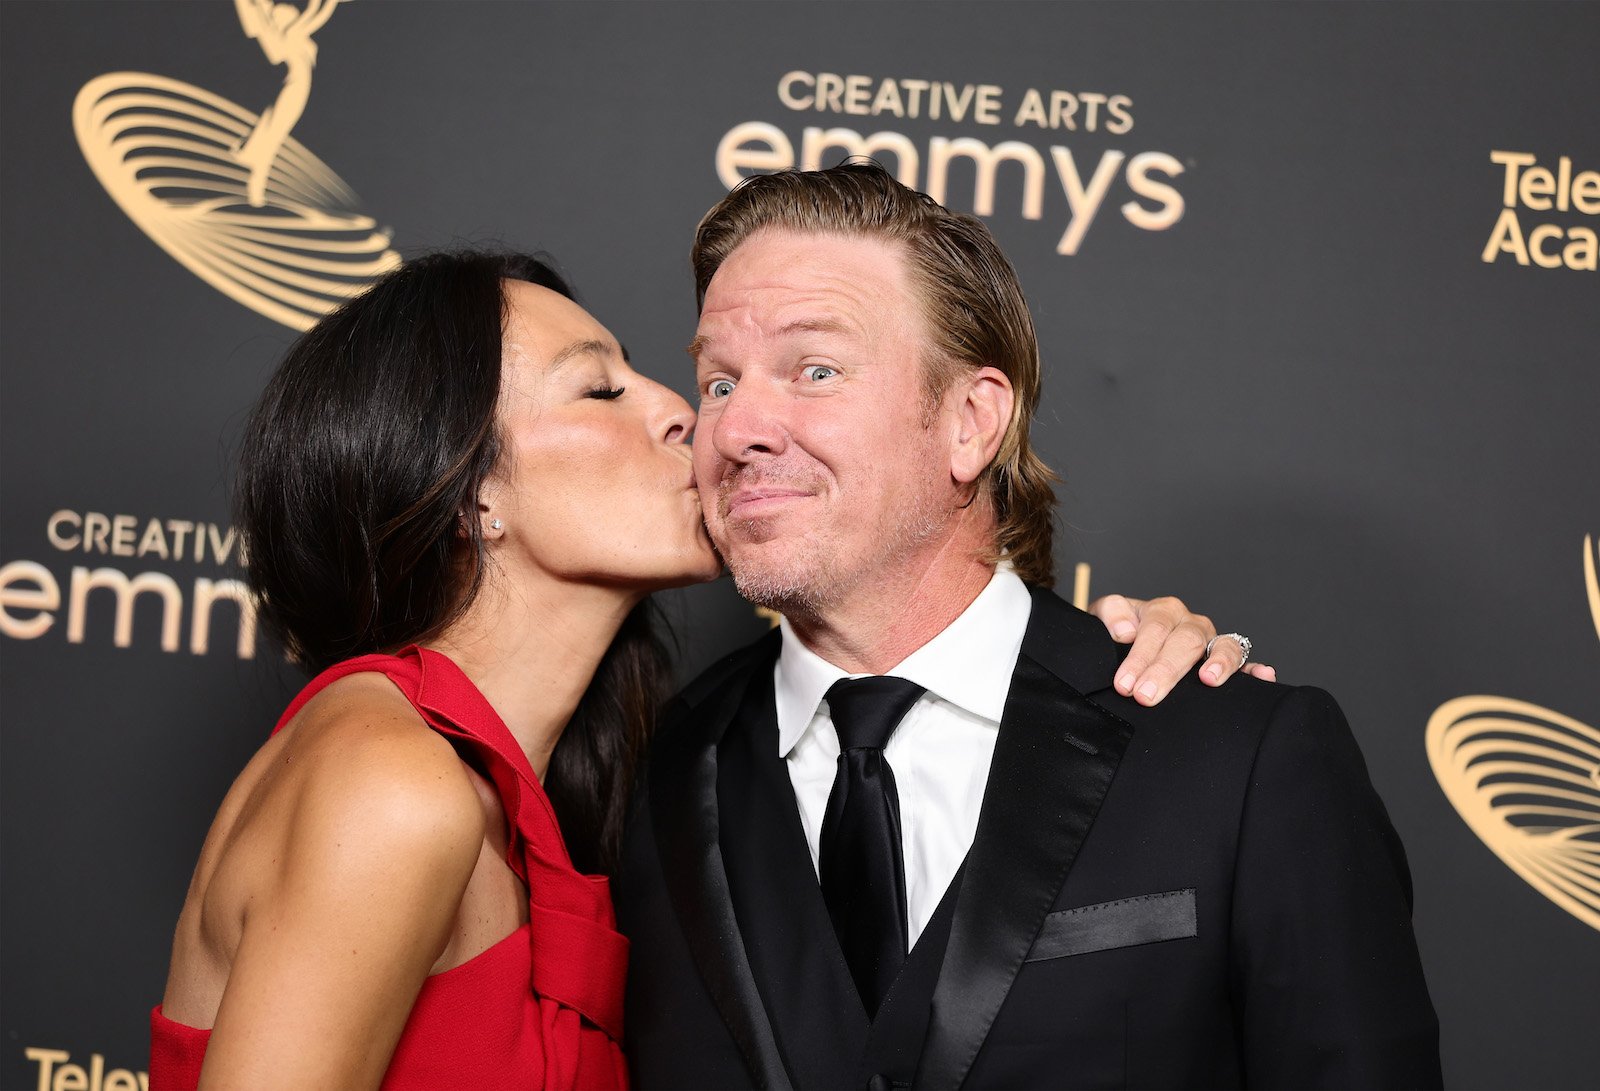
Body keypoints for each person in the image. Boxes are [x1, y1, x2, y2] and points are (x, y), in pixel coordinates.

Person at [152, 248, 1243, 1089]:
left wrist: (1094, 659)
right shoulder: (389, 780)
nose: (686, 412)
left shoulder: (587, 793)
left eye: (655, 377)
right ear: (469, 490)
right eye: (599, 391)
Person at [616, 163, 1441, 1089]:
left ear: (971, 421)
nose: (736, 430)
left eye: (816, 369)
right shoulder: (656, 774)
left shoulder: (1233, 752)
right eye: (719, 382)